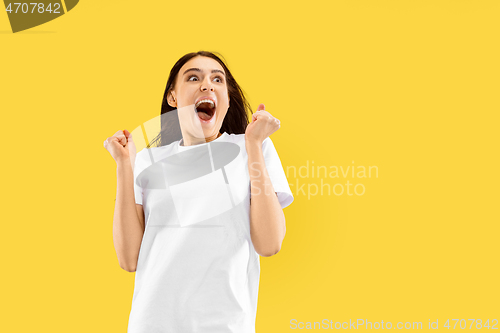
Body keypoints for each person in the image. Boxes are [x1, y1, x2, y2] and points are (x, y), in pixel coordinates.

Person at [103, 51, 294, 333]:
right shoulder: (147, 160)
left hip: (226, 324)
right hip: (152, 324)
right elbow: (129, 259)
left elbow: (269, 244)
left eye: (217, 79)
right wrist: (124, 164)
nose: (207, 85)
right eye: (194, 77)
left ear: (226, 100)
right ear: (173, 97)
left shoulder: (254, 146)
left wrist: (253, 144)